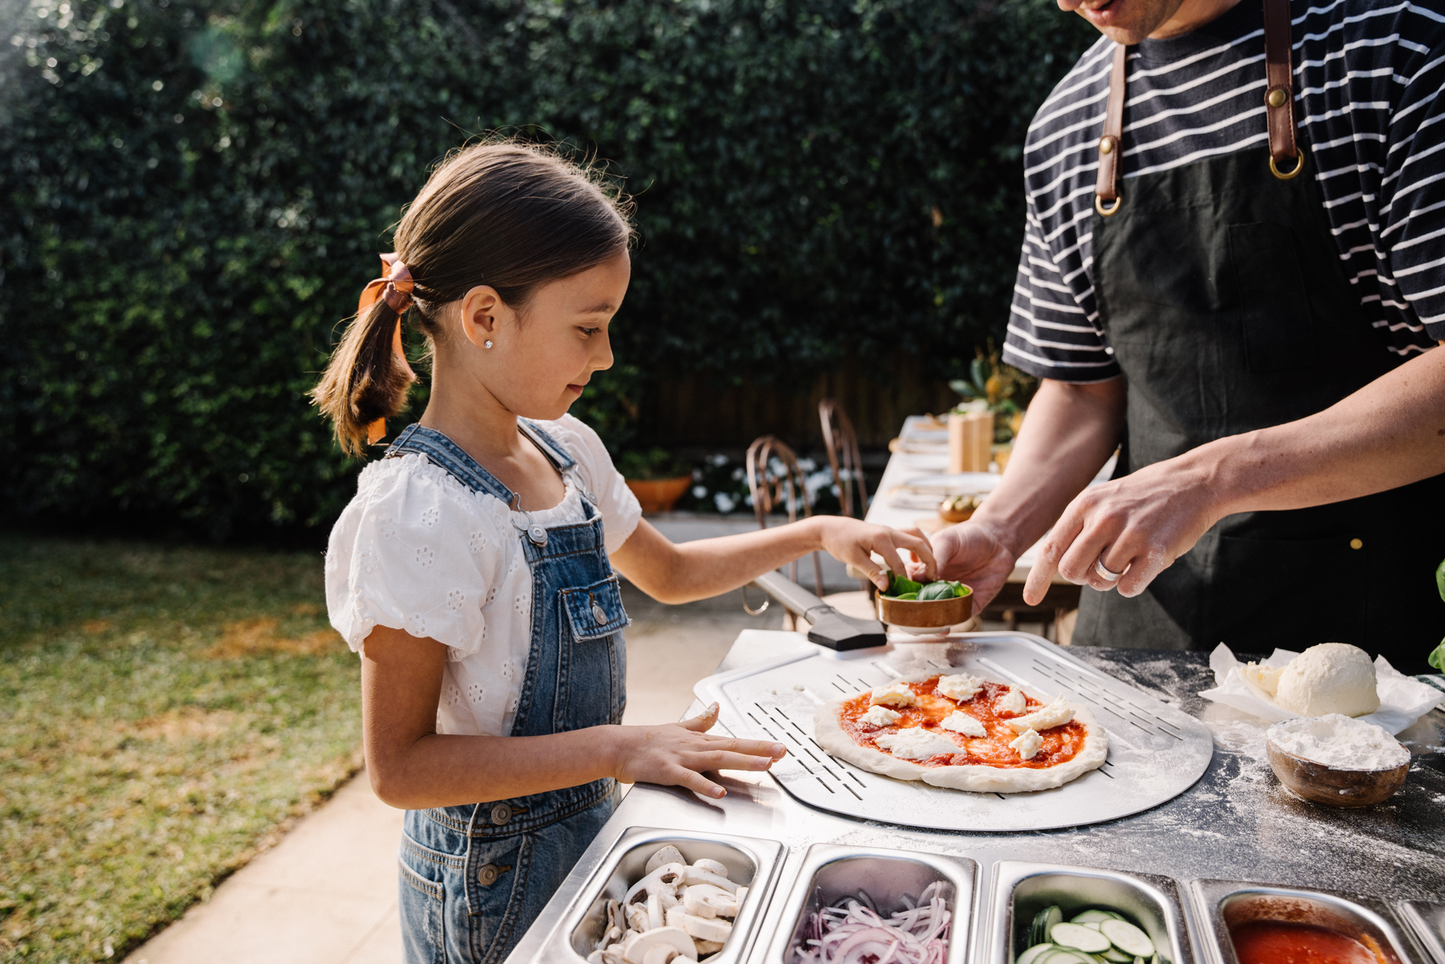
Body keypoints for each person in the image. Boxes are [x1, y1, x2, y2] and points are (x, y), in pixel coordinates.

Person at [312, 141, 935, 964]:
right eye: (588, 327)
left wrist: (820, 531)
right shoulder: (420, 512)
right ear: (485, 318)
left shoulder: (564, 451)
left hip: (592, 834)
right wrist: (620, 748)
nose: (605, 356)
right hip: (487, 887)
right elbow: (400, 768)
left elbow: (669, 573)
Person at [921, 0, 1445, 665]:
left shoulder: (1389, 49)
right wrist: (1001, 528)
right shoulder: (1065, 127)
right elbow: (1083, 389)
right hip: (1136, 637)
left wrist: (1211, 480)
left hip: (1371, 642)